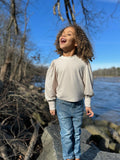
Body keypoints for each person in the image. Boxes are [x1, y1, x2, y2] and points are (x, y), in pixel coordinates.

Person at [45, 24, 94, 160]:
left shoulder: (83, 62)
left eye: (69, 34)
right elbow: (50, 85)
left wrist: (88, 104)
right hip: (62, 104)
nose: (64, 36)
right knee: (66, 133)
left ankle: (77, 156)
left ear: (77, 42)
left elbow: (88, 84)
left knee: (76, 133)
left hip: (78, 104)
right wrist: (51, 104)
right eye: (63, 34)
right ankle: (68, 157)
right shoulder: (56, 63)